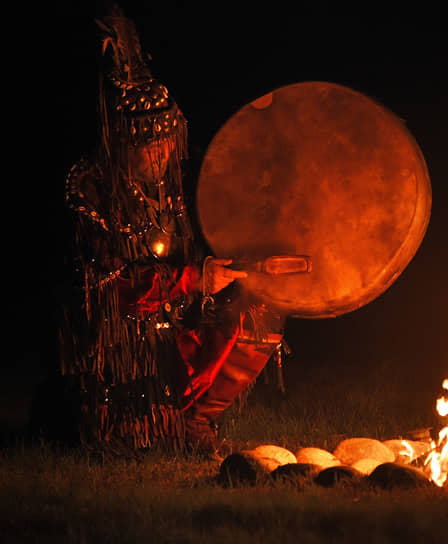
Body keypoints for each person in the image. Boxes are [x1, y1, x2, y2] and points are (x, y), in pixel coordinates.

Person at [58, 6, 283, 455]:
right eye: (148, 143)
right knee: (134, 424)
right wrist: (193, 278)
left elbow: (209, 246)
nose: (160, 153)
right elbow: (102, 290)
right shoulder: (89, 187)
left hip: (179, 321)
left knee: (262, 312)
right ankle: (138, 423)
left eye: (166, 140)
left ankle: (197, 419)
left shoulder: (178, 186)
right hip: (119, 337)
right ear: (122, 140)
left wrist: (235, 269)